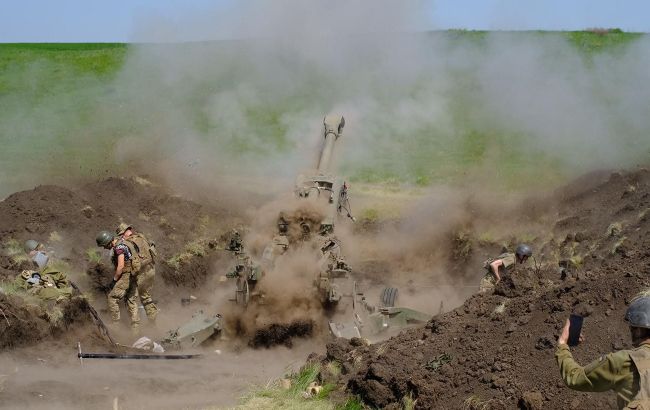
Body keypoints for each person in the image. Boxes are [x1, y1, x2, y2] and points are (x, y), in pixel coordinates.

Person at [556, 294, 650, 409]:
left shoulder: (625, 361)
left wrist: (562, 345)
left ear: (639, 330)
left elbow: (575, 378)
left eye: (632, 327)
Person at [115, 223, 159, 323]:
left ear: (125, 232)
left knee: (131, 298)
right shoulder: (141, 236)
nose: (121, 237)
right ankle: (153, 323)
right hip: (151, 270)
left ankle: (135, 326)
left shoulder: (127, 243)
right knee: (146, 297)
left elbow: (128, 262)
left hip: (141, 273)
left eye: (121, 235)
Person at [96, 230, 139, 328]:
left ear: (108, 242)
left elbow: (120, 267)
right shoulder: (123, 242)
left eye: (104, 245)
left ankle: (116, 325)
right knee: (131, 300)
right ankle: (135, 328)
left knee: (112, 298)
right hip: (133, 275)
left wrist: (114, 280)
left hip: (126, 276)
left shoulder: (119, 248)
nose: (105, 248)